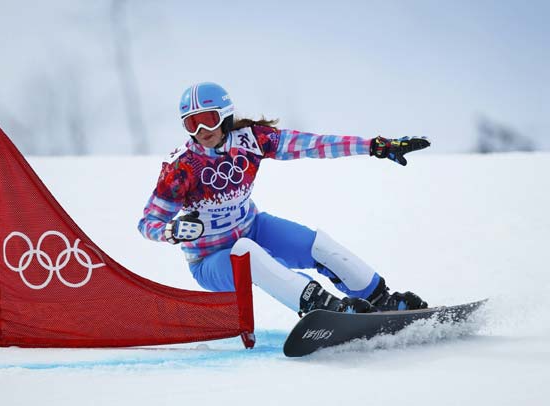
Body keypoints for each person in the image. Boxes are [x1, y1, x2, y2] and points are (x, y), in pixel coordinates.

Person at [138, 82, 430, 316]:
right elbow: (148, 222)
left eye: (208, 120)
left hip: (254, 229)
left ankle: (381, 298)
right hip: (210, 261)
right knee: (246, 251)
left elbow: (314, 145)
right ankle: (321, 308)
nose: (202, 131)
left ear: (225, 115)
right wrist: (171, 231)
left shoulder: (251, 140)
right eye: (192, 124)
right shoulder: (182, 167)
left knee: (318, 245)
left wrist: (373, 147)